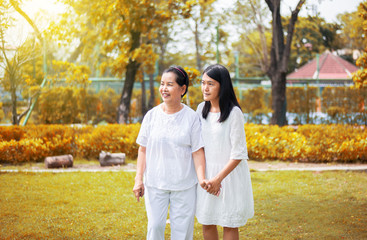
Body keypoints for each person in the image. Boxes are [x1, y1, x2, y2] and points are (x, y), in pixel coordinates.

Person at [133, 66, 206, 240]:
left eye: (169, 84)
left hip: (184, 185)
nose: (164, 89)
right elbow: (143, 149)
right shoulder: (151, 116)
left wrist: (202, 179)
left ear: (182, 89)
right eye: (162, 84)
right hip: (155, 183)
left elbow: (197, 151)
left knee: (182, 233)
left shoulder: (191, 117)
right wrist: (138, 180)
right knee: (155, 227)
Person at [196, 64, 254, 240]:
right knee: (207, 221)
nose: (205, 88)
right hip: (207, 176)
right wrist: (205, 179)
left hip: (229, 176)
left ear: (223, 85)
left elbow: (239, 153)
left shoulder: (234, 113)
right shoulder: (200, 109)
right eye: (203, 82)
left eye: (211, 83)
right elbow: (198, 147)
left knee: (229, 224)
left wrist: (218, 179)